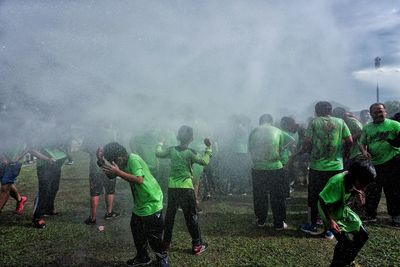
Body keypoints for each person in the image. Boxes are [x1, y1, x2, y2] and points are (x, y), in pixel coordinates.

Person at [101, 142, 168, 267]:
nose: (114, 164)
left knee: (153, 235)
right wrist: (100, 160)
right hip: (140, 203)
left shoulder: (133, 160)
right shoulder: (123, 162)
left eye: (114, 161)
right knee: (137, 230)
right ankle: (142, 257)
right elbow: (111, 175)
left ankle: (162, 259)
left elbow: (139, 179)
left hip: (151, 200)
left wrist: (118, 172)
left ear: (120, 157)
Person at [299, 101, 353, 238]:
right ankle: (331, 229)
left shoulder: (314, 122)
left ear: (316, 111)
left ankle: (312, 225)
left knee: (314, 196)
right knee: (333, 196)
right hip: (336, 166)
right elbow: (350, 141)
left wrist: (305, 152)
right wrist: (344, 155)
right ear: (331, 111)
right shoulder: (340, 122)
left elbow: (307, 142)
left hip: (317, 167)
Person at [156, 125, 212, 255]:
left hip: (172, 188)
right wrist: (208, 148)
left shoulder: (171, 150)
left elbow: (158, 153)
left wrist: (160, 142)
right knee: (191, 216)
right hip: (186, 188)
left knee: (170, 216)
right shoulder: (191, 152)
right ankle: (197, 245)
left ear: (178, 137)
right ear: (191, 139)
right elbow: (204, 161)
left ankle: (166, 243)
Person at [319, 161, 376, 266]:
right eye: (363, 184)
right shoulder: (336, 182)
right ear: (355, 177)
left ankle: (348, 261)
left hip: (341, 208)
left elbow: (346, 191)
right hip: (329, 211)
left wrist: (355, 192)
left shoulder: (350, 179)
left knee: (363, 235)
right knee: (344, 243)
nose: (364, 188)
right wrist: (331, 221)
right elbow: (322, 199)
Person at [248, 114, 293, 230]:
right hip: (276, 167)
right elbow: (291, 140)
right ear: (271, 122)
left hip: (258, 167)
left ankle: (261, 220)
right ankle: (279, 223)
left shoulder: (254, 131)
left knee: (259, 195)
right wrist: (281, 150)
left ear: (260, 122)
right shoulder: (278, 131)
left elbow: (250, 148)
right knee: (278, 196)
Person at [360, 103, 400, 227]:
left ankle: (396, 217)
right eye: (375, 112)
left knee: (393, 190)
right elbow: (362, 142)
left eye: (381, 111)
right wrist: (364, 151)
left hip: (393, 162)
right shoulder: (367, 128)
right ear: (371, 114)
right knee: (373, 190)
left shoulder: (395, 125)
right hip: (375, 164)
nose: (379, 114)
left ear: (385, 112)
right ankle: (370, 215)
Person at [81, 122, 120, 225]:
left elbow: (84, 148)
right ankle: (109, 213)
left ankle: (93, 217)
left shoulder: (90, 134)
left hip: (96, 167)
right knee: (110, 190)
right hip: (109, 166)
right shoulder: (112, 132)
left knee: (95, 192)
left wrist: (94, 151)